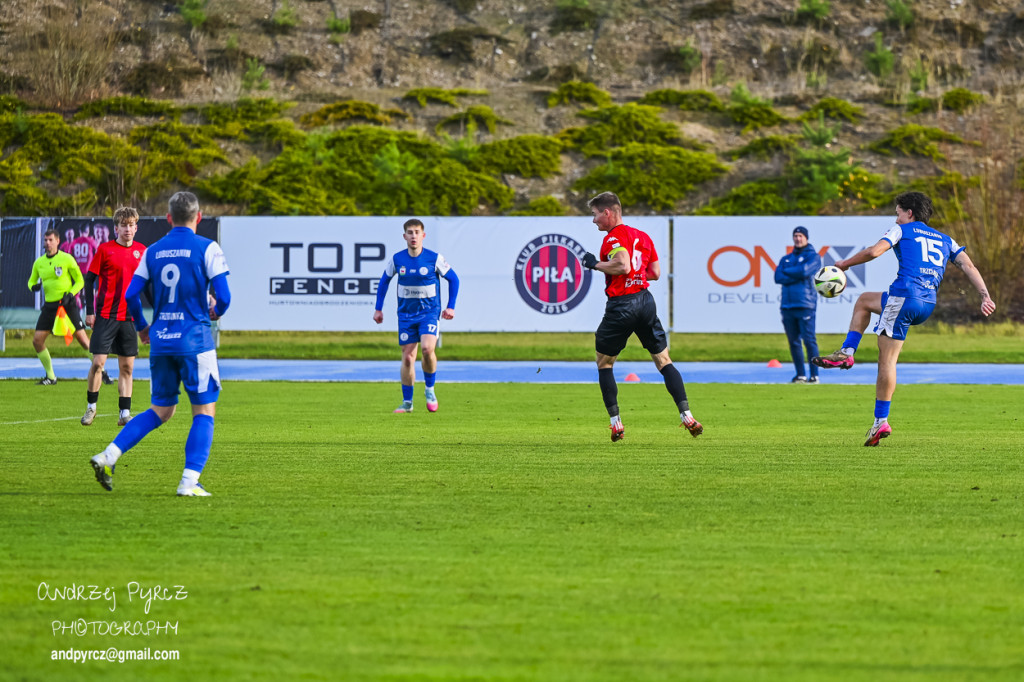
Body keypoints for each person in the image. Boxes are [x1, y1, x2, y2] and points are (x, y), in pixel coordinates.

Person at [811, 191, 996, 446]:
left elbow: (874, 252)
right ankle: (847, 352)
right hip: (927, 304)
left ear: (909, 213)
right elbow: (968, 266)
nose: (896, 219)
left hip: (903, 298)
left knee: (886, 361)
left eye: (898, 213)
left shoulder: (902, 229)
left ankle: (879, 419)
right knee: (865, 301)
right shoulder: (945, 239)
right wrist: (985, 296)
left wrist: (845, 264)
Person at [90, 192, 231, 497]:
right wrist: (215, 311)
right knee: (204, 411)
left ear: (168, 218)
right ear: (199, 217)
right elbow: (225, 298)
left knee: (161, 410)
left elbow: (131, 294)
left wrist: (143, 328)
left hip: (162, 342)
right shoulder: (208, 247)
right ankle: (189, 481)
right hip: (196, 341)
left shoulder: (152, 251)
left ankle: (108, 455)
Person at [581, 191, 702, 441]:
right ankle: (687, 416)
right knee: (664, 361)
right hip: (645, 301)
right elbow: (655, 273)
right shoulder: (643, 236)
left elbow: (623, 265)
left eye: (594, 214)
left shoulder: (613, 238)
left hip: (622, 304)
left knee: (605, 363)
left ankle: (616, 423)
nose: (593, 220)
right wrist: (636, 276)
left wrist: (594, 264)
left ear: (607, 212)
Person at [373, 218, 460, 413]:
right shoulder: (397, 259)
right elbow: (384, 281)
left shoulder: (434, 258)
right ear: (404, 236)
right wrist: (378, 308)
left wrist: (450, 307)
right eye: (410, 232)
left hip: (429, 313)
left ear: (423, 235)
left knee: (428, 349)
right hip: (406, 315)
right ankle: (407, 403)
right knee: (407, 358)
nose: (413, 236)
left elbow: (454, 279)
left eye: (417, 232)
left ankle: (430, 390)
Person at [81, 207, 146, 427]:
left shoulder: (142, 251)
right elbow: (89, 280)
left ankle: (124, 413)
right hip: (106, 316)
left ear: (136, 228)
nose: (127, 229)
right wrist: (90, 311)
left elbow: (148, 285)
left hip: (129, 318)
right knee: (98, 363)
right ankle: (91, 407)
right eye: (123, 225)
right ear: (116, 228)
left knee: (127, 368)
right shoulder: (105, 249)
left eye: (131, 225)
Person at [27, 228, 94, 385]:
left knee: (83, 340)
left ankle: (101, 370)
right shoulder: (39, 263)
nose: (47, 243)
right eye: (45, 240)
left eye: (50, 240)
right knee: (37, 341)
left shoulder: (67, 259)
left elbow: (80, 280)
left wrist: (70, 294)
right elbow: (31, 281)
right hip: (50, 307)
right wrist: (33, 287)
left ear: (58, 241)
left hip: (67, 305)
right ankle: (51, 377)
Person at [774, 225, 821, 384]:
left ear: (806, 238)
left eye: (801, 236)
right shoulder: (786, 258)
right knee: (793, 342)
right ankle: (800, 375)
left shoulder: (814, 257)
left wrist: (789, 271)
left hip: (805, 304)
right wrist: (796, 273)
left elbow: (804, 272)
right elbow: (778, 277)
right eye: (795, 236)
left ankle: (814, 375)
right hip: (787, 305)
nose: (798, 238)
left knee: (809, 341)